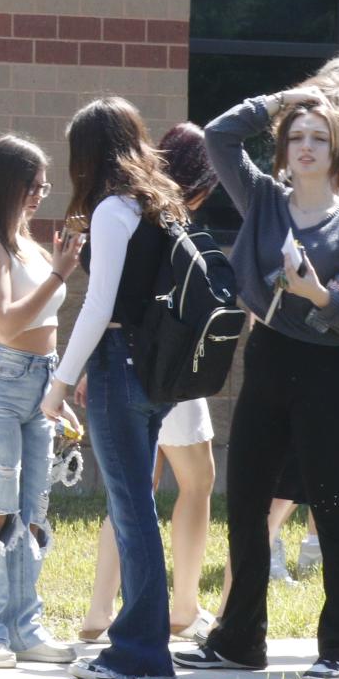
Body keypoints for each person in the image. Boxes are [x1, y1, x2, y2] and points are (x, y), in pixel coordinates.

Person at [176, 92, 339, 679]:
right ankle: (240, 639)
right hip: (265, 360)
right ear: (283, 149)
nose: (306, 147)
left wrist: (319, 296)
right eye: (296, 137)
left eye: (319, 137)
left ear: (338, 149)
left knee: (334, 507)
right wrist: (285, 100)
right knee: (245, 504)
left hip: (323, 372)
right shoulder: (264, 200)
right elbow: (219, 136)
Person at [38, 97, 187, 679]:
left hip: (120, 363)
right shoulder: (160, 204)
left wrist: (60, 381)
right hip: (157, 370)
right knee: (137, 506)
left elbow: (99, 305)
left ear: (89, 154)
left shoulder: (110, 210)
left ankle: (140, 653)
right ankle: (142, 644)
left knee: (131, 509)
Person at [81, 123, 220, 646]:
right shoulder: (170, 216)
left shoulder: (133, 209)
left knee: (132, 487)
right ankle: (182, 607)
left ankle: (100, 608)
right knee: (193, 480)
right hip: (167, 361)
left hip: (128, 358)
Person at [0, 135, 84, 669]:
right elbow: (5, 323)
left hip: (37, 384)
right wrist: (58, 272)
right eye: (30, 184)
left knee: (32, 513)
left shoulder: (27, 243)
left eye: (43, 185)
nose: (38, 194)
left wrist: (57, 389)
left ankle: (24, 627)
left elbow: (46, 324)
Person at [264, 55, 339, 583]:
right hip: (293, 337)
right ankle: (267, 542)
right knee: (290, 451)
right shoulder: (290, 191)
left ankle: (318, 543)